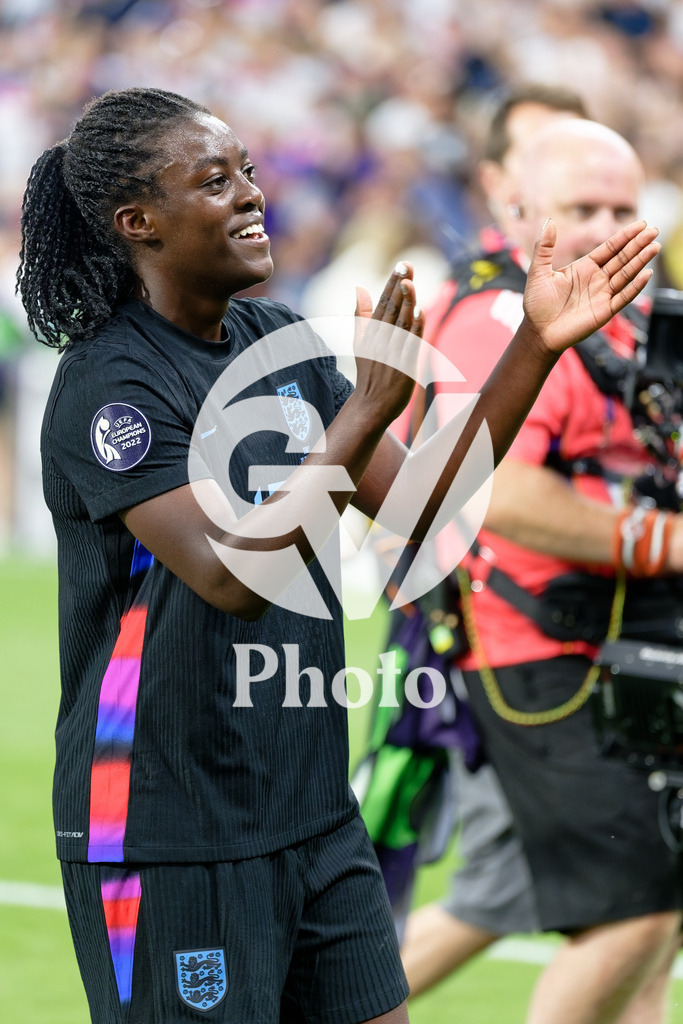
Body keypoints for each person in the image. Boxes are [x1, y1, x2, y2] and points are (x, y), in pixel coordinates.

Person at [16, 86, 658, 1024]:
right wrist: (361, 409)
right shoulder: (108, 384)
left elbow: (421, 499)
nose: (249, 194)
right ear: (138, 222)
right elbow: (231, 574)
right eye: (214, 180)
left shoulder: (277, 342)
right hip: (170, 828)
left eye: (246, 171)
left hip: (309, 809)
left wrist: (532, 343)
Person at [412, 115, 683, 1024]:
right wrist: (661, 542)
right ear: (516, 202)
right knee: (632, 908)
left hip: (619, 644)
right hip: (535, 648)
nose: (607, 224)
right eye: (581, 206)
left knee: (646, 921)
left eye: (621, 204)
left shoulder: (640, 306)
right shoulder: (499, 315)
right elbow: (496, 493)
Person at [396, 83, 590, 998]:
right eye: (554, 166)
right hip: (493, 642)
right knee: (499, 888)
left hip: (561, 640)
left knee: (627, 904)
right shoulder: (490, 306)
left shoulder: (599, 296)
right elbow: (477, 490)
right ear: (501, 182)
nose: (580, 190)